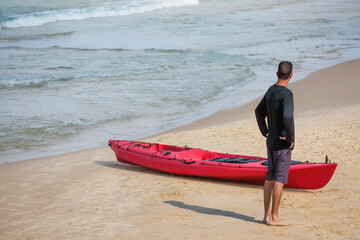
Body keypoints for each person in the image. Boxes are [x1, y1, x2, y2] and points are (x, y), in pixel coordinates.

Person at [255, 61, 295, 226]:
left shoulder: (270, 90)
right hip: (282, 143)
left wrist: (265, 131)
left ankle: (266, 215)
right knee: (279, 178)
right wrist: (290, 138)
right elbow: (286, 116)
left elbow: (258, 111)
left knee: (270, 177)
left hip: (270, 142)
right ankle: (275, 217)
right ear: (291, 76)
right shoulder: (287, 94)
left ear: (277, 74)